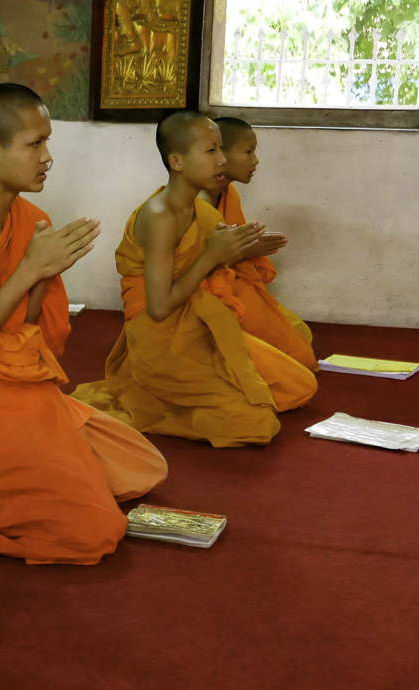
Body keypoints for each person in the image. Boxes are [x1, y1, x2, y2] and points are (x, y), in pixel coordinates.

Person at [0, 84, 167, 564]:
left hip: (11, 375)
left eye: (48, 142)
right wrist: (32, 269)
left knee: (143, 467)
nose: (48, 157)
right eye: (35, 144)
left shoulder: (30, 217)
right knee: (94, 531)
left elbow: (22, 325)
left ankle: (17, 468)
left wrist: (42, 274)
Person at [74, 111, 317, 447]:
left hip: (200, 321)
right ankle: (156, 404)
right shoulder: (159, 216)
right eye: (211, 151)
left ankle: (182, 397)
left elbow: (215, 261)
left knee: (300, 385)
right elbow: (159, 308)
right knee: (255, 422)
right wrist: (213, 256)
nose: (222, 160)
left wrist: (238, 248)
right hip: (161, 338)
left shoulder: (203, 212)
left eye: (221, 150)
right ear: (177, 161)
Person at [202, 116, 317, 370]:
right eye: (248, 152)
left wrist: (246, 248)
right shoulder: (195, 202)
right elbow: (190, 265)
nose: (255, 161)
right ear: (220, 154)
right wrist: (242, 251)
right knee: (298, 360)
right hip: (210, 297)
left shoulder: (227, 193)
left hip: (232, 283)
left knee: (301, 334)